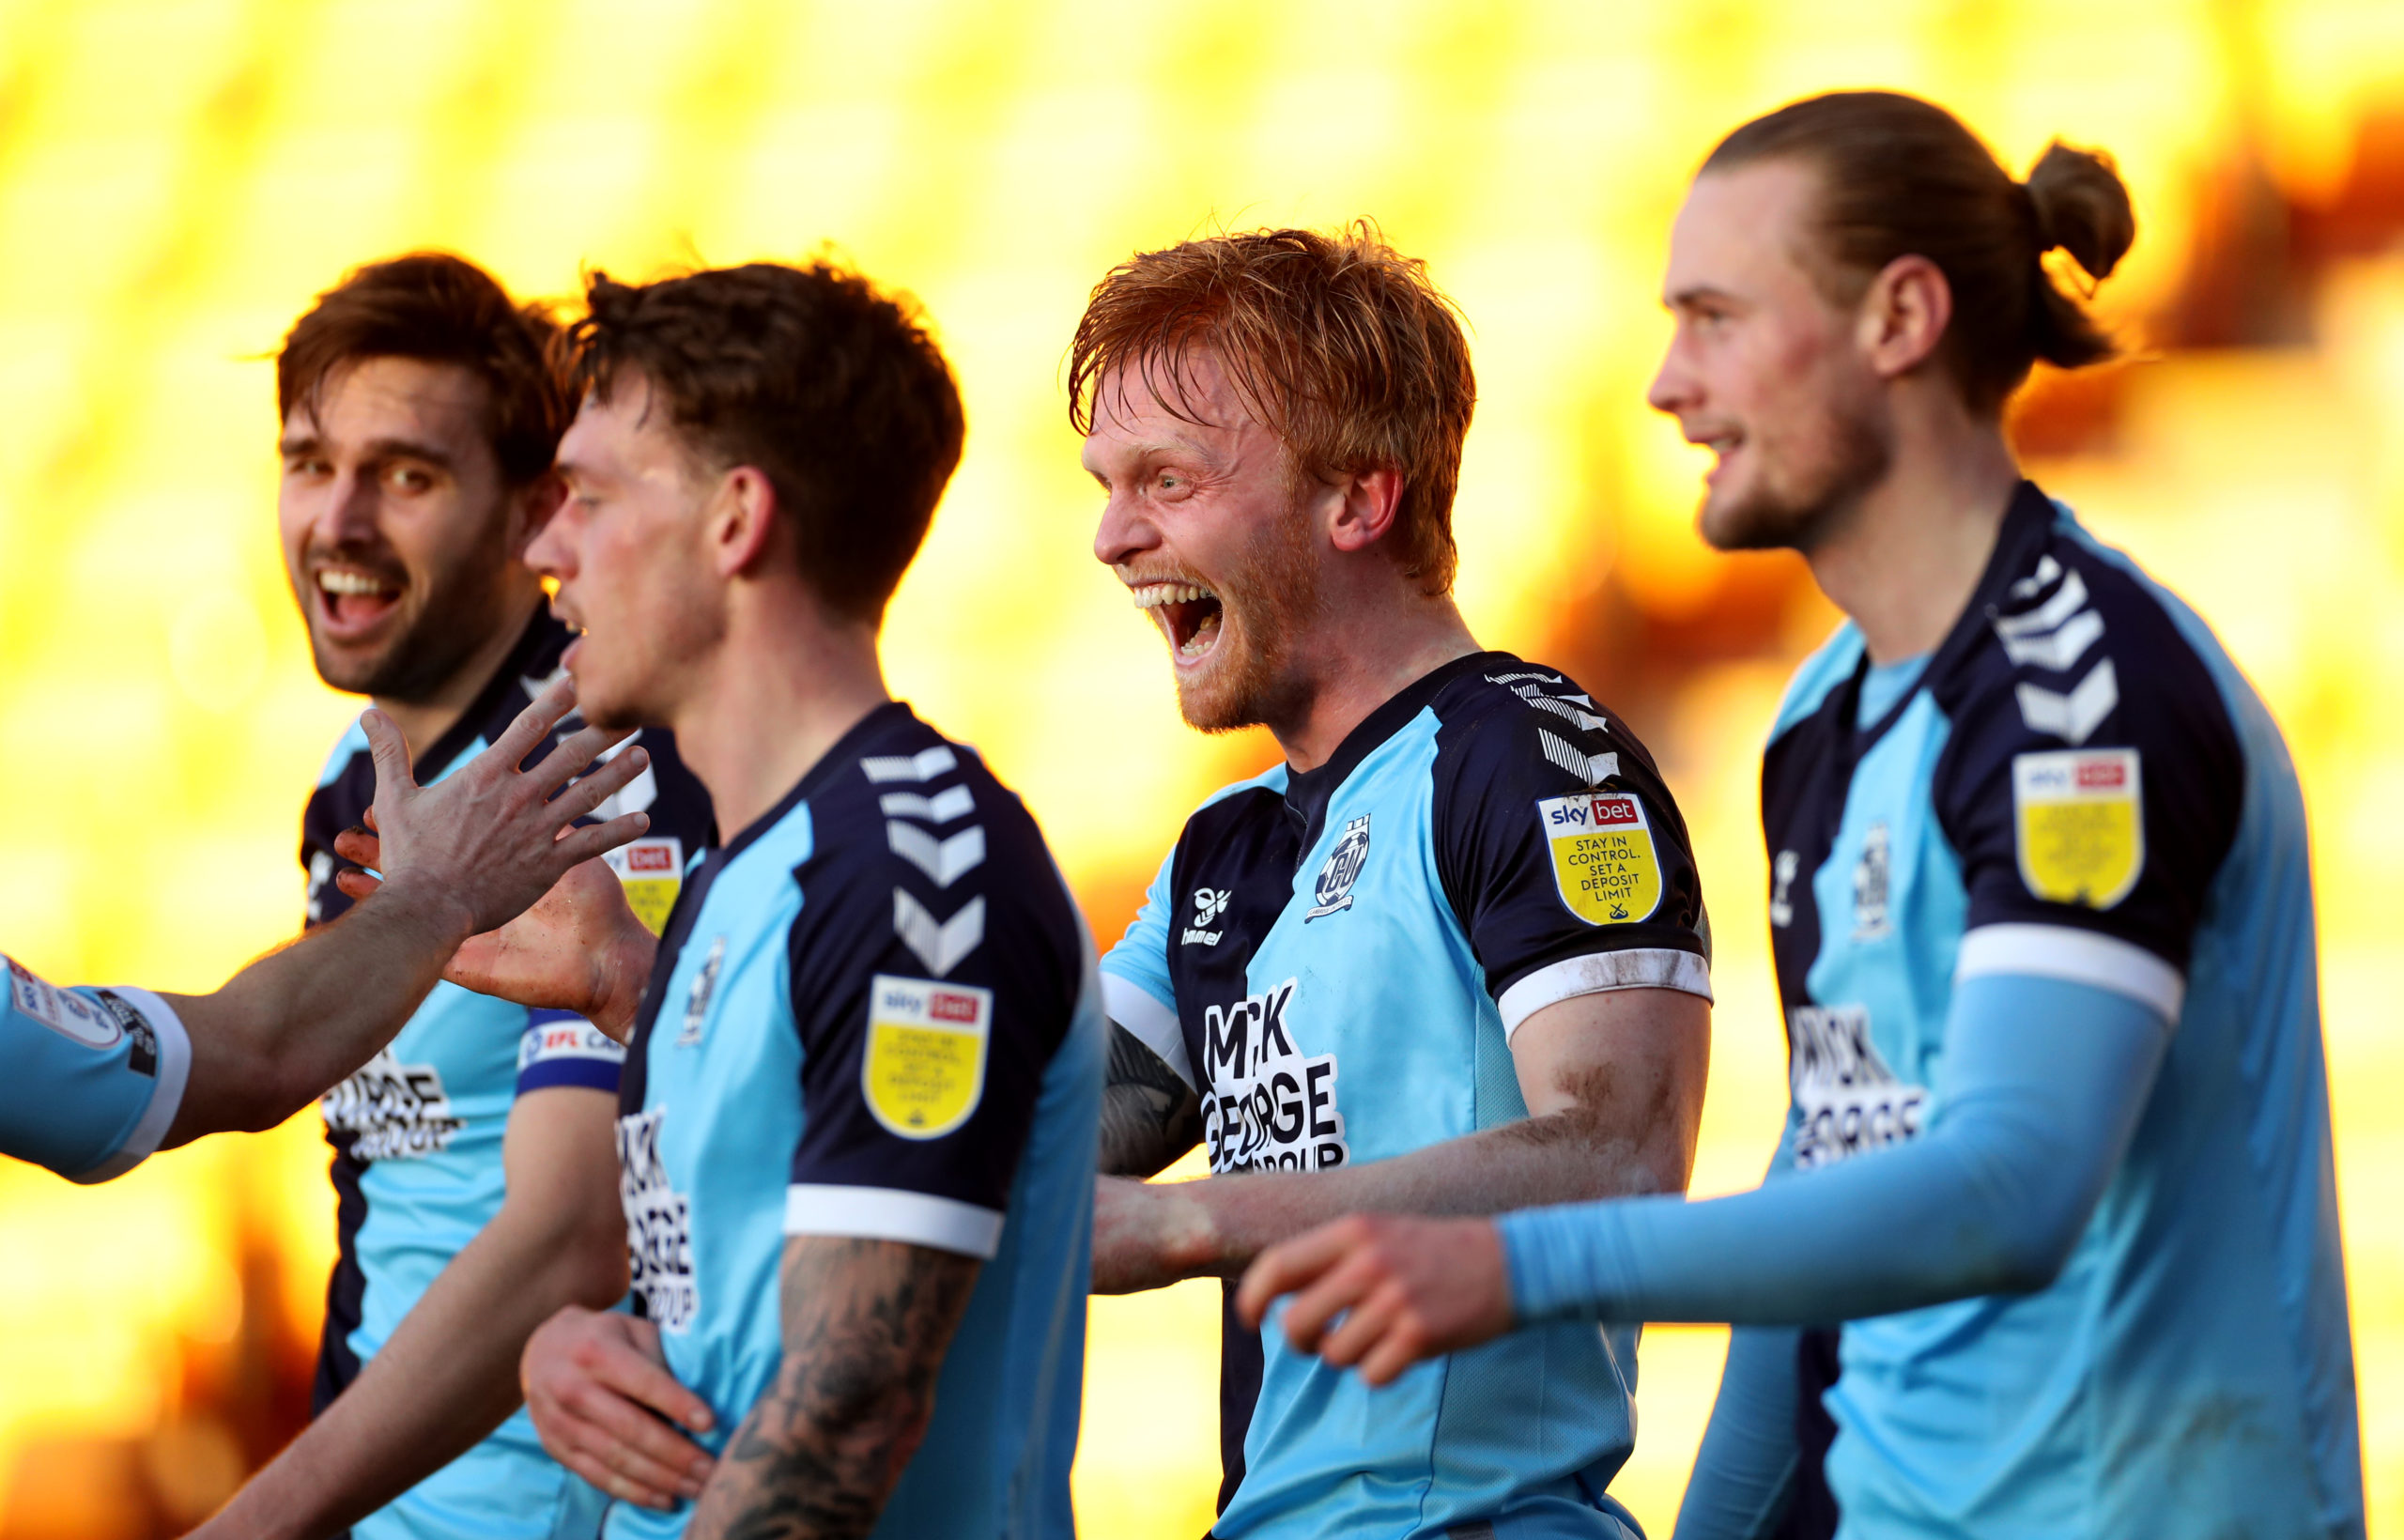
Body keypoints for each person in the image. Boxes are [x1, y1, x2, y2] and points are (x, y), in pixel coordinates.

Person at [1237, 92, 2366, 1540]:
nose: (1665, 382)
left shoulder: (2082, 691)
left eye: (1714, 317)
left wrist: (1531, 1268)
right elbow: (1840, 1149)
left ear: (1899, 319)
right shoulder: (1826, 714)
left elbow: (2014, 1188)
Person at [414, 259, 1102, 1538]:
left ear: (736, 522)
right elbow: (742, 1314)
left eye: (591, 497)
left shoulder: (912, 866)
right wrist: (581, 1345)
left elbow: (848, 1410)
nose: (543, 545)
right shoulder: (741, 872)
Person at [1075, 225, 1716, 1539]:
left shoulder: (1530, 755)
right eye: (1106, 484)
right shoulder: (1223, 844)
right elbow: (1021, 1133)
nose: (1111, 535)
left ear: (1359, 500)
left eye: (1168, 481)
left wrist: (1196, 1223)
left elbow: (1623, 1158)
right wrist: (653, 989)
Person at [194, 254, 718, 1540]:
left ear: (534, 511)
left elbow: (568, 1240)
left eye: (407, 476)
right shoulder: (347, 781)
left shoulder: (603, 775)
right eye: (310, 461)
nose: (340, 521)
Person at [2, 680, 649, 1181]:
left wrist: (621, 983)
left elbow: (573, 1234)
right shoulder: (347, 773)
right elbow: (253, 1058)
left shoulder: (622, 751)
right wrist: (435, 896)